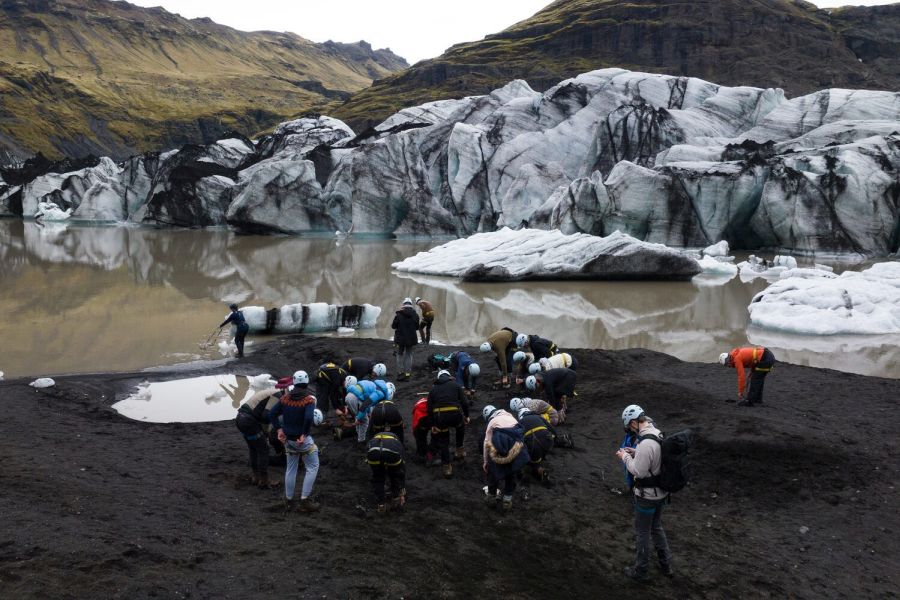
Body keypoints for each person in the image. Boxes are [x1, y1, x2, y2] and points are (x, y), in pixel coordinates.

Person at [616, 404, 674, 582]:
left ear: (634, 422)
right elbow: (652, 458)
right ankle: (666, 565)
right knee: (657, 527)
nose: (630, 430)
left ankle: (640, 571)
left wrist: (625, 457)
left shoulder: (644, 442)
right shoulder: (657, 433)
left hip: (647, 496)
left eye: (629, 427)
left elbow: (638, 472)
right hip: (661, 493)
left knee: (642, 532)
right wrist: (636, 452)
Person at [269, 371, 322, 513]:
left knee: (291, 469)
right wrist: (304, 434)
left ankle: (288, 499)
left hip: (288, 440)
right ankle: (305, 500)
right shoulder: (308, 400)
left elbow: (272, 414)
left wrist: (279, 430)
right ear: (306, 383)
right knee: (313, 466)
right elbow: (309, 417)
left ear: (294, 382)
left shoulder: (285, 398)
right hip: (301, 440)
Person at [482, 405, 530, 511]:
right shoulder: (512, 418)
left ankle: (491, 498)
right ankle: (507, 501)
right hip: (515, 448)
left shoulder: (492, 422)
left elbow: (486, 443)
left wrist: (486, 461)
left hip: (498, 448)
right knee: (511, 473)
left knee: (493, 473)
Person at [235, 387, 281, 489]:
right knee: (264, 449)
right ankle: (264, 481)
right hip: (248, 421)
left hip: (240, 418)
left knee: (253, 448)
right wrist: (266, 433)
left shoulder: (271, 391)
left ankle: (256, 477)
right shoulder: (278, 395)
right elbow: (266, 416)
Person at [427, 369, 470, 478]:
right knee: (460, 427)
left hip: (440, 417)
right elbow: (465, 402)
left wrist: (433, 424)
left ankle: (447, 467)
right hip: (455, 414)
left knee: (443, 441)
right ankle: (459, 449)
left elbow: (429, 409)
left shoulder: (433, 390)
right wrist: (466, 416)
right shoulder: (455, 385)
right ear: (449, 376)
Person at [366, 431, 407, 513]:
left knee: (378, 477)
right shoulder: (397, 443)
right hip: (391, 452)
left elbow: (367, 456)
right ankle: (396, 498)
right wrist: (402, 489)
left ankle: (381, 504)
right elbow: (402, 470)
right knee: (395, 474)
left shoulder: (372, 441)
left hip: (373, 452)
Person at [516, 408, 555, 483]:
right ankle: (542, 457)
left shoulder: (520, 423)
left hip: (535, 445)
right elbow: (551, 428)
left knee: (533, 463)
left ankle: (540, 471)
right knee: (542, 449)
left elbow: (519, 440)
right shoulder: (538, 416)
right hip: (549, 442)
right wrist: (555, 438)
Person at [344, 378, 386, 448]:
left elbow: (367, 402)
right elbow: (367, 403)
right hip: (355, 399)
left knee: (360, 419)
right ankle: (361, 441)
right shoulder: (379, 392)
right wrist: (359, 417)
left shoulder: (373, 385)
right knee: (364, 420)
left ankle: (358, 435)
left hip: (349, 396)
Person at [392, 298, 419, 381]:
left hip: (400, 339)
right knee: (409, 355)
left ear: (403, 305)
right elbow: (417, 327)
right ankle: (407, 374)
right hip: (411, 339)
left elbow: (393, 326)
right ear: (411, 305)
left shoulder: (399, 314)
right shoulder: (415, 315)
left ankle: (400, 373)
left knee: (399, 354)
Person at [411, 396, 433, 463]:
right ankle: (429, 456)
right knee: (437, 436)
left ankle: (421, 455)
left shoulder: (422, 402)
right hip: (427, 418)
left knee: (420, 439)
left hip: (420, 419)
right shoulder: (437, 400)